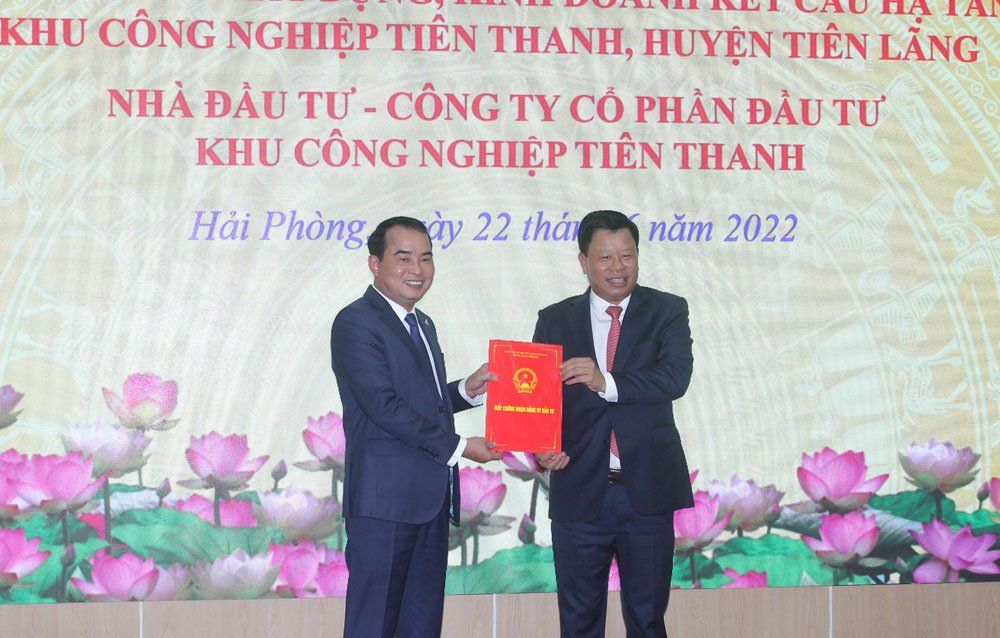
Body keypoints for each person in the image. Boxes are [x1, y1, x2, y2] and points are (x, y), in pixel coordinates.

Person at [330, 216, 501, 638]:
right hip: (383, 506)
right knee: (373, 626)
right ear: (375, 263)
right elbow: (384, 406)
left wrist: (466, 390)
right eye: (403, 258)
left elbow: (422, 402)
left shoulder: (422, 323)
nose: (417, 269)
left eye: (426, 258)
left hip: (429, 503)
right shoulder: (356, 322)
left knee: (421, 626)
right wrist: (462, 447)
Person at [533, 209, 695, 637]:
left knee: (647, 619)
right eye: (605, 257)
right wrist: (541, 447)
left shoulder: (668, 310)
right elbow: (538, 400)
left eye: (627, 255)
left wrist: (606, 381)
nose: (618, 267)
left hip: (647, 492)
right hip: (579, 490)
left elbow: (675, 378)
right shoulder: (555, 319)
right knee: (579, 622)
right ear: (583, 261)